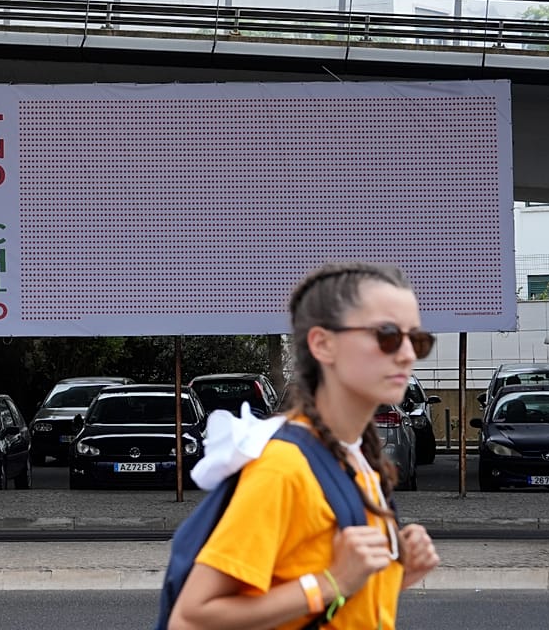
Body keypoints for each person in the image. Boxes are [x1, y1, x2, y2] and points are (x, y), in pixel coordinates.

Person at [169, 262, 442, 630]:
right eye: (388, 335)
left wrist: (398, 575)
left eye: (417, 339)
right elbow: (189, 619)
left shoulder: (359, 461)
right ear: (323, 343)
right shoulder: (283, 468)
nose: (408, 353)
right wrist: (331, 583)